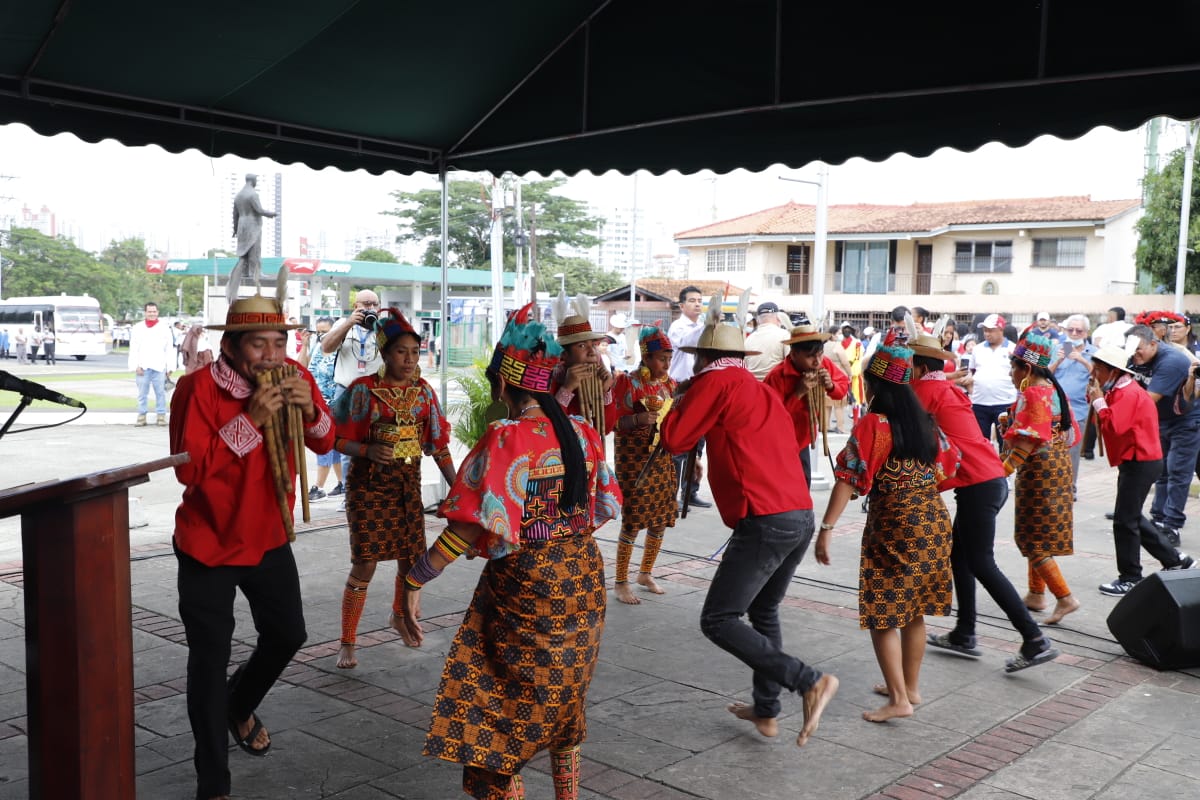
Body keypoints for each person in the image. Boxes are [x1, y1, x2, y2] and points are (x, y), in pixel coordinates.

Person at [401, 302, 621, 800]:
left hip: (529, 586)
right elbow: (604, 503)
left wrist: (414, 580)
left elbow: (467, 530)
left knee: (497, 717)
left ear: (502, 385)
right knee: (564, 700)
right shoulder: (583, 435)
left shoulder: (507, 439)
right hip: (583, 577)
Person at [169, 293, 335, 800]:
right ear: (232, 345)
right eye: (259, 343)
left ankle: (238, 704)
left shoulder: (297, 378)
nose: (271, 354)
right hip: (207, 540)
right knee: (208, 659)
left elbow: (326, 442)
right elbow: (189, 470)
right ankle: (212, 781)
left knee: (288, 635)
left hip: (267, 536)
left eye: (280, 342)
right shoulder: (195, 388)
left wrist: (310, 414)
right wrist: (250, 422)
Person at [657, 306, 838, 747]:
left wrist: (676, 402)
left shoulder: (716, 380)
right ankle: (766, 709)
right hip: (797, 513)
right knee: (763, 611)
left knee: (719, 619)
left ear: (703, 357)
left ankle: (807, 680)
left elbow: (674, 441)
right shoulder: (754, 386)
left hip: (766, 517)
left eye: (697, 357)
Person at [818, 329, 958, 722]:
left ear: (876, 383)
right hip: (933, 519)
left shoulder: (874, 425)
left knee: (883, 611)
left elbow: (848, 477)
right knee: (913, 611)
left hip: (896, 524)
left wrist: (826, 529)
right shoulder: (927, 424)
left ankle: (898, 699)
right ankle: (910, 687)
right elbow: (949, 467)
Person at [908, 333, 1059, 673]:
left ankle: (1034, 640)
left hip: (979, 486)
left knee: (981, 563)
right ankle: (964, 632)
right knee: (959, 555)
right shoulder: (948, 389)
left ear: (917, 367)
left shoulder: (921, 393)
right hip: (989, 481)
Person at [331, 311, 455, 667]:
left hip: (406, 486)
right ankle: (348, 640)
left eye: (415, 352)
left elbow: (438, 444)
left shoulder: (423, 393)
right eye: (402, 352)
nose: (410, 359)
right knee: (365, 564)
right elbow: (334, 438)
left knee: (410, 561)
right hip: (368, 488)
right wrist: (367, 450)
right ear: (385, 354)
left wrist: (458, 486)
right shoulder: (362, 390)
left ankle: (400, 616)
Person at [1087, 344, 1194, 596]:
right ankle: (1174, 559)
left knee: (1125, 521)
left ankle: (1130, 576)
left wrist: (1098, 402)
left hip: (1140, 461)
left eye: (1098, 369)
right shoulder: (1118, 389)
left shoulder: (1129, 394)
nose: (1094, 373)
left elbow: (1115, 426)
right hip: (1136, 460)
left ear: (1112, 371)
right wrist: (1097, 399)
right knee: (1132, 516)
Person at [1002, 327, 1081, 625]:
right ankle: (1036, 594)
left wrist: (1004, 470)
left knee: (1032, 540)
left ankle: (1065, 597)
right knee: (1036, 535)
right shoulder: (1049, 389)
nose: (1011, 372)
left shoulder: (1035, 393)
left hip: (1040, 472)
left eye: (1013, 367)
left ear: (1027, 368)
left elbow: (1029, 439)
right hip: (1055, 467)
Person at [611, 324, 678, 605]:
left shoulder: (668, 385)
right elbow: (612, 422)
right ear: (646, 357)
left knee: (660, 518)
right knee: (633, 521)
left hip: (662, 459)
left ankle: (645, 572)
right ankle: (620, 581)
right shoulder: (628, 383)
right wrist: (638, 420)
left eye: (668, 358)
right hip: (633, 462)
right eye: (661, 358)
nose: (666, 364)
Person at [1127, 323, 1200, 547]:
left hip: (1185, 420)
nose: (1135, 356)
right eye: (1131, 351)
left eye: (1140, 349)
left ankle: (1172, 526)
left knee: (1178, 472)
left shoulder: (1171, 361)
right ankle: (1158, 519)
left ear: (1153, 343)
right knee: (1161, 471)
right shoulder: (1134, 357)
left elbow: (1147, 402)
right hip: (1161, 419)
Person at [763, 324, 850, 486]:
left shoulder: (824, 365)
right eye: (810, 356)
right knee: (782, 485)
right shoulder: (776, 376)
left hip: (803, 439)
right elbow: (771, 418)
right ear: (794, 354)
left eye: (820, 355)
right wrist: (798, 393)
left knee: (803, 483)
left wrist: (831, 386)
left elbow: (842, 387)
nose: (817, 361)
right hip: (779, 443)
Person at [321, 290, 385, 500]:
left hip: (377, 392)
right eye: (365, 304)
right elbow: (326, 348)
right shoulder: (343, 324)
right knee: (348, 445)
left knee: (379, 442)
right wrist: (349, 324)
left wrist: (378, 329)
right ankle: (351, 497)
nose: (369, 308)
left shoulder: (384, 327)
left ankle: (375, 494)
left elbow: (395, 356)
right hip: (347, 391)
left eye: (373, 304)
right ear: (355, 306)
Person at [551, 306, 618, 438]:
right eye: (582, 346)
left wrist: (606, 391)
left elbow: (605, 428)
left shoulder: (598, 379)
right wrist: (567, 388)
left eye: (593, 345)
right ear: (563, 355)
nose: (592, 352)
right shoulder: (549, 383)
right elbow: (550, 427)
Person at [1051, 313, 1096, 496]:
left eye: (1079, 330)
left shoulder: (1093, 352)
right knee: (1053, 449)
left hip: (1079, 408)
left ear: (1086, 332)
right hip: (1055, 407)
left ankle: (1070, 488)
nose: (1075, 333)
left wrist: (1082, 359)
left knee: (1073, 451)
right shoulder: (1057, 349)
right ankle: (1053, 484)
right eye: (1071, 329)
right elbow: (1046, 374)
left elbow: (1098, 376)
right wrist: (1059, 360)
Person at [300, 317, 344, 499]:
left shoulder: (340, 350)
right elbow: (302, 367)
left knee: (325, 444)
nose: (321, 335)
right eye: (318, 332)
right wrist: (304, 345)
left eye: (325, 331)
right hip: (317, 403)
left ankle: (319, 487)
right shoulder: (318, 347)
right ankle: (342, 483)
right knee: (331, 446)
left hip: (334, 404)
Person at [963, 313, 1017, 445]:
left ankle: (1004, 466)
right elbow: (972, 371)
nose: (987, 334)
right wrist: (971, 389)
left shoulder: (1013, 349)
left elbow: (1027, 370)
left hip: (1005, 403)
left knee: (1005, 442)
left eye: (991, 330)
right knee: (981, 443)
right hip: (980, 403)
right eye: (985, 330)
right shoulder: (977, 349)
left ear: (1001, 330)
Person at [226, 174, 278, 301]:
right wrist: (271, 214)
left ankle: (244, 272)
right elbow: (259, 210)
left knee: (243, 253)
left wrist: (234, 229)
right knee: (254, 250)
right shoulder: (252, 194)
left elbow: (235, 214)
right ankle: (255, 273)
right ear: (253, 180)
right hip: (252, 224)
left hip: (241, 225)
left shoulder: (238, 195)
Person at [129, 301, 177, 426]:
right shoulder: (138, 328)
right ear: (145, 313)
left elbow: (169, 348)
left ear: (157, 312)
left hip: (159, 366)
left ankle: (161, 416)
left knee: (160, 393)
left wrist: (170, 366)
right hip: (143, 366)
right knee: (142, 393)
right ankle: (141, 416)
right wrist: (135, 365)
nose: (152, 314)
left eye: (154, 311)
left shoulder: (164, 328)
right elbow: (134, 348)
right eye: (149, 311)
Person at [743, 301, 791, 380]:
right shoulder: (784, 335)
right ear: (778, 318)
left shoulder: (748, 340)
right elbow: (791, 364)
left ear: (758, 320)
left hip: (753, 387)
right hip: (775, 387)